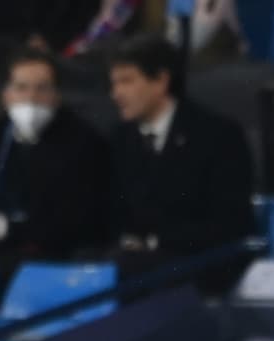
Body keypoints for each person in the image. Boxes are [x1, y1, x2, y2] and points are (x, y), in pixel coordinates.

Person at [0, 47, 110, 290]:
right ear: (6, 95)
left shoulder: (83, 142)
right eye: (22, 88)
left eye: (42, 88)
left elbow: (77, 222)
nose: (31, 98)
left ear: (57, 96)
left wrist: (1, 228)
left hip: (51, 255)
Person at [106, 33, 253, 294]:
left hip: (203, 265)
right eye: (114, 84)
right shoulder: (120, 137)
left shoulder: (217, 135)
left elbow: (231, 225)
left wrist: (153, 241)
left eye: (126, 81)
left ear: (161, 81)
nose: (116, 94)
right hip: (136, 263)